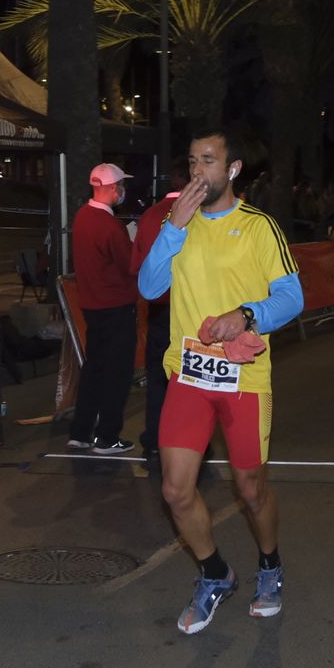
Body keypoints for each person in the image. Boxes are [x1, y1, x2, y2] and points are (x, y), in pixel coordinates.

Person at [138, 128, 303, 635]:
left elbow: (292, 297)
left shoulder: (258, 227)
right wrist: (174, 227)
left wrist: (247, 315)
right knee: (174, 490)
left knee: (251, 490)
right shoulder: (177, 223)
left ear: (232, 169)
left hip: (244, 379)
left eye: (208, 160)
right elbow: (149, 286)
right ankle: (215, 574)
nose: (197, 171)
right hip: (188, 374)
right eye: (192, 161)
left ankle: (270, 564)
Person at [69, 163, 140, 454]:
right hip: (117, 306)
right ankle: (108, 436)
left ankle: (81, 432)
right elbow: (130, 266)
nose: (123, 191)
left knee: (93, 369)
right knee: (118, 374)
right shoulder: (111, 226)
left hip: (91, 305)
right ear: (112, 188)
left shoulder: (82, 217)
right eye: (121, 186)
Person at [130, 161, 191, 461]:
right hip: (190, 310)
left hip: (160, 311)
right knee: (190, 380)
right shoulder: (201, 216)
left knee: (157, 378)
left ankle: (155, 439)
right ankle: (190, 443)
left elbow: (136, 265)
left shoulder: (150, 215)